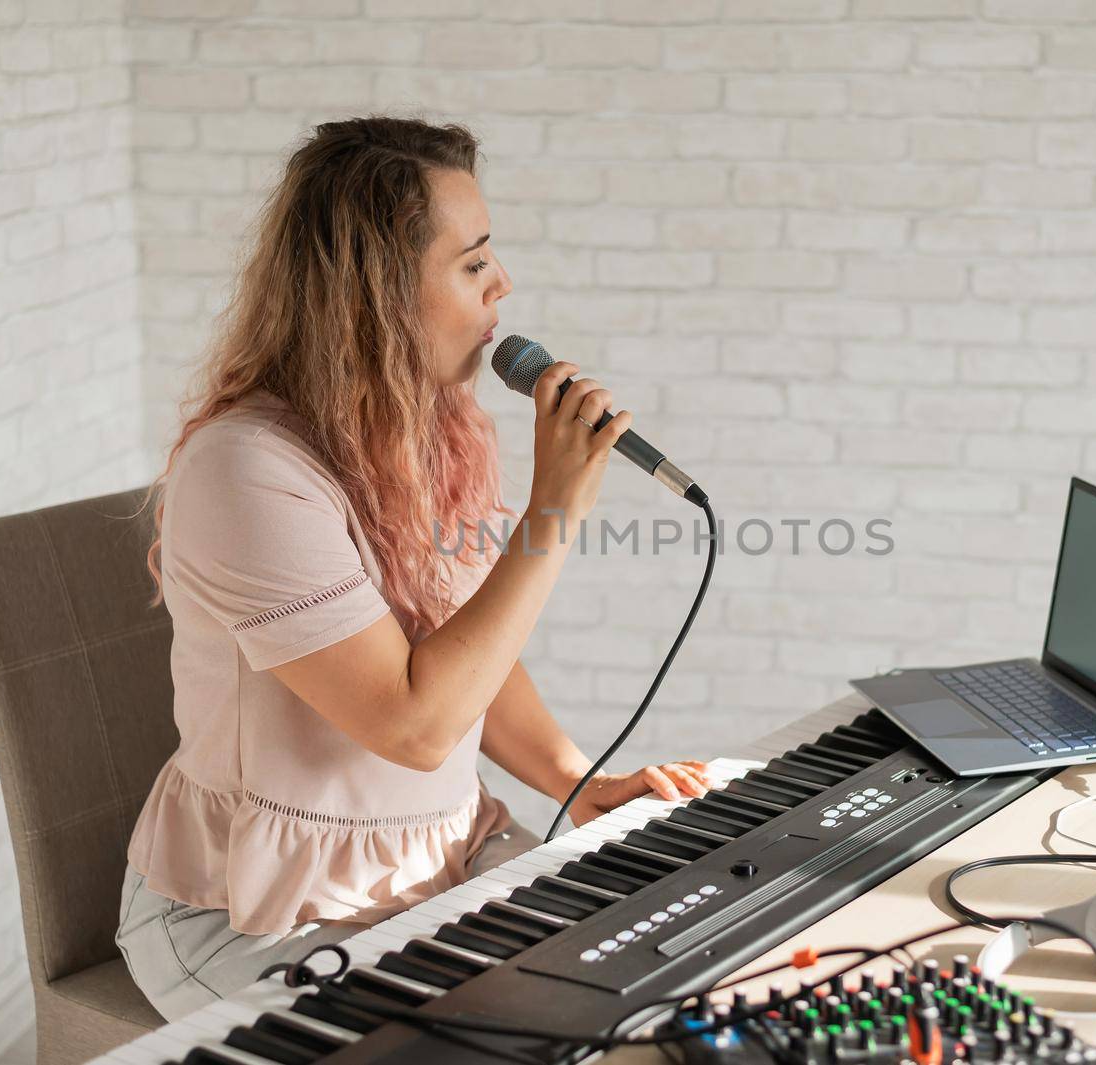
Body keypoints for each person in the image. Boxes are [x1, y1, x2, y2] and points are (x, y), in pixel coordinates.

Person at [116, 115, 711, 1022]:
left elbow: (464, 656)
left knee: (650, 965)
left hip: (441, 863)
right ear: (379, 294)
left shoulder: (421, 433)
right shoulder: (245, 471)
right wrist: (554, 511)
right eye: (473, 263)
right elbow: (416, 723)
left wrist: (578, 781)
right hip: (259, 919)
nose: (503, 284)